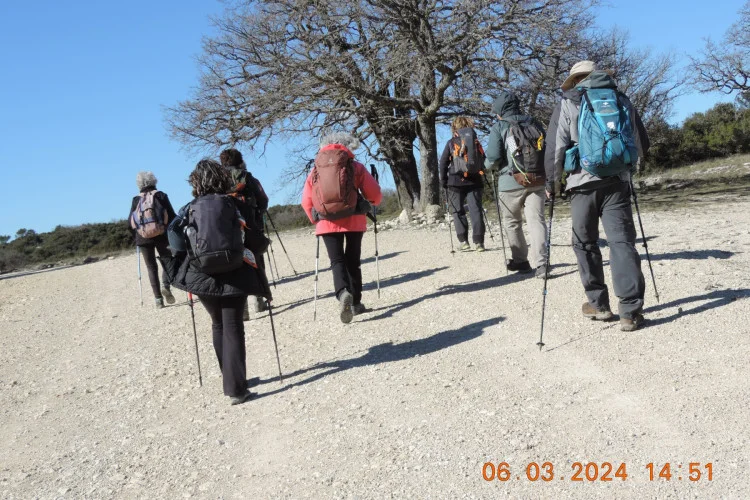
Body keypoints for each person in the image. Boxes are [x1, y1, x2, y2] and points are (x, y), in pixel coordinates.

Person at [545, 60, 650, 331]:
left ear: (575, 81)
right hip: (617, 181)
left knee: (585, 242)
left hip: (582, 183)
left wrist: (552, 182)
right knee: (622, 242)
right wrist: (626, 167)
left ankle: (598, 304)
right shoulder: (621, 99)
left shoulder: (568, 103)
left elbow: (556, 148)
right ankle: (630, 311)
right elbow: (641, 142)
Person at [167, 159, 271, 405]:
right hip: (236, 269)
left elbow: (176, 243)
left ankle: (231, 379)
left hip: (201, 274)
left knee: (218, 324)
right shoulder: (236, 204)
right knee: (233, 325)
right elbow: (255, 238)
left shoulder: (187, 209)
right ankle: (236, 388)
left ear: (195, 183)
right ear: (223, 179)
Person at [301, 132, 382, 324]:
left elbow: (307, 200)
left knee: (336, 261)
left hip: (326, 222)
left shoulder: (316, 169)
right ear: (348, 146)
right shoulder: (356, 166)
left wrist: (315, 219)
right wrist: (371, 203)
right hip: (354, 218)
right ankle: (356, 303)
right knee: (353, 260)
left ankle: (342, 292)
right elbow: (374, 194)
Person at [484, 91, 548, 277]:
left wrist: (486, 166)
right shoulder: (533, 122)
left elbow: (493, 158)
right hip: (536, 179)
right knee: (536, 220)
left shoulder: (500, 126)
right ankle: (542, 264)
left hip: (510, 182)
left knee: (512, 222)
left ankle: (521, 262)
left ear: (500, 111)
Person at [219, 148, 271, 318]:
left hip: (229, 229)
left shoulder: (219, 181)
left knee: (236, 265)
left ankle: (243, 310)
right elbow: (263, 200)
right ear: (240, 161)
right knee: (256, 259)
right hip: (251, 226)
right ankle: (259, 299)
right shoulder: (248, 178)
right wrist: (257, 213)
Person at [129, 171, 176, 308]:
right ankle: (166, 286)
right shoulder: (161, 195)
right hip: (162, 234)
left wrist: (136, 236)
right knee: (167, 261)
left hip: (143, 237)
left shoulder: (136, 199)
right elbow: (172, 216)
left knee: (151, 267)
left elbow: (130, 221)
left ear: (139, 184)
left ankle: (158, 300)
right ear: (154, 181)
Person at [439, 116, 486, 252]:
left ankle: (464, 241)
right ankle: (479, 243)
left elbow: (443, 163)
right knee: (476, 210)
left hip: (455, 181)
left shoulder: (451, 142)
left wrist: (443, 181)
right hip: (475, 180)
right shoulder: (476, 142)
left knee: (457, 211)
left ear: (454, 127)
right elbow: (483, 159)